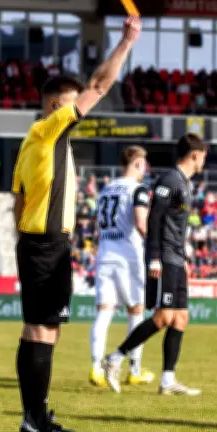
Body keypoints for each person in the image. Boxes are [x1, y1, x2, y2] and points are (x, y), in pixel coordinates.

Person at [11, 15, 141, 432]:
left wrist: (30, 239)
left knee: (44, 331)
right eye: (72, 104)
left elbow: (19, 199)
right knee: (40, 330)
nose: (78, 110)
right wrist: (126, 41)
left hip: (43, 244)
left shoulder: (35, 142)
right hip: (46, 245)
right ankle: (34, 422)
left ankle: (35, 418)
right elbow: (100, 86)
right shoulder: (48, 132)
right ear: (56, 107)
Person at [103, 134, 208, 396]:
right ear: (195, 154)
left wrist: (183, 259)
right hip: (164, 257)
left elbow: (175, 226)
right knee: (163, 317)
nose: (204, 161)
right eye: (203, 155)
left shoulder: (185, 184)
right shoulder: (169, 180)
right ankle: (115, 358)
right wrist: (155, 258)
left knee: (181, 317)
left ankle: (168, 380)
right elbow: (154, 220)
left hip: (176, 257)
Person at [89, 146, 156, 388]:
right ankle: (134, 369)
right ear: (137, 163)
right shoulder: (137, 189)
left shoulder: (106, 188)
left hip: (106, 253)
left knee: (104, 312)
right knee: (136, 312)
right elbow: (140, 221)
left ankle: (96, 368)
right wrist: (156, 246)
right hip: (129, 256)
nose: (146, 169)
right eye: (145, 164)